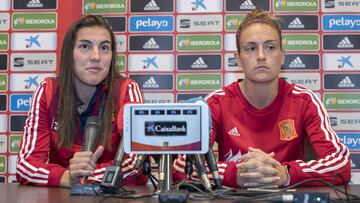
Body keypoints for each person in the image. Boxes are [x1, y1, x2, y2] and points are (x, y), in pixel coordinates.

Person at [173, 10, 351, 188]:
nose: (260, 56)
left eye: (270, 47)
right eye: (251, 48)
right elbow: (181, 166)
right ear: (238, 59)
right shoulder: (216, 103)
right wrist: (236, 174)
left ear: (282, 56)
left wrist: (284, 173)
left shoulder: (305, 101)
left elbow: (341, 163)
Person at [16, 15, 147, 187]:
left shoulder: (126, 90)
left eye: (105, 48)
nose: (96, 56)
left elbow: (136, 163)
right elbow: (25, 166)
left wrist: (85, 176)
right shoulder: (47, 91)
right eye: (85, 46)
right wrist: (68, 177)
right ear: (69, 54)